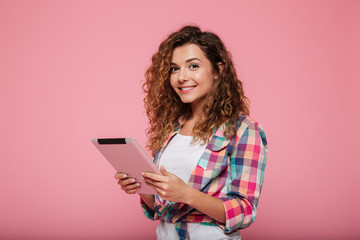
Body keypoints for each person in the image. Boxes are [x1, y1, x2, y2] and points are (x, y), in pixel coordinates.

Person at [114, 25, 268, 240]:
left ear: (218, 70)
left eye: (193, 66)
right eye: (174, 69)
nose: (181, 77)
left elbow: (244, 211)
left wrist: (187, 194)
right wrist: (141, 187)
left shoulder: (242, 129)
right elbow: (164, 210)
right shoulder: (172, 129)